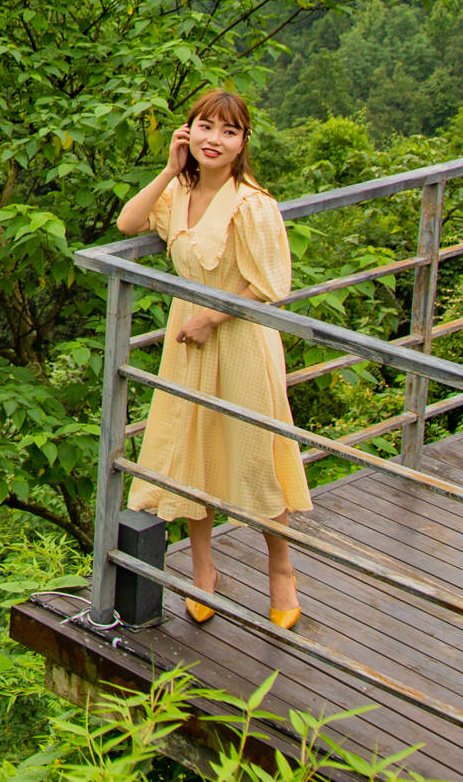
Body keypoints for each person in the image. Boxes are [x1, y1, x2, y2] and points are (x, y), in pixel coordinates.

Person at [115, 88, 310, 629]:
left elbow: (270, 283)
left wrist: (212, 318)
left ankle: (282, 567)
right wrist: (167, 168)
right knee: (192, 452)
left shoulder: (252, 204)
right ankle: (204, 572)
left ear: (244, 141)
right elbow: (128, 223)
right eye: (205, 127)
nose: (214, 140)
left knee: (254, 453)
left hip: (239, 339)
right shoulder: (177, 193)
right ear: (188, 131)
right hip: (188, 342)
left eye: (229, 131)